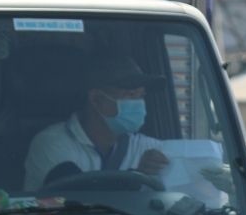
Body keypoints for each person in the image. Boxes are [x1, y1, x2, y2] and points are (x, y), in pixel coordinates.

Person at [23, 54, 170, 190]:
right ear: (96, 99)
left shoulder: (148, 149)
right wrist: (138, 175)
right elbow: (78, 200)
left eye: (141, 96)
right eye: (130, 95)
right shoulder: (52, 143)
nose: (138, 104)